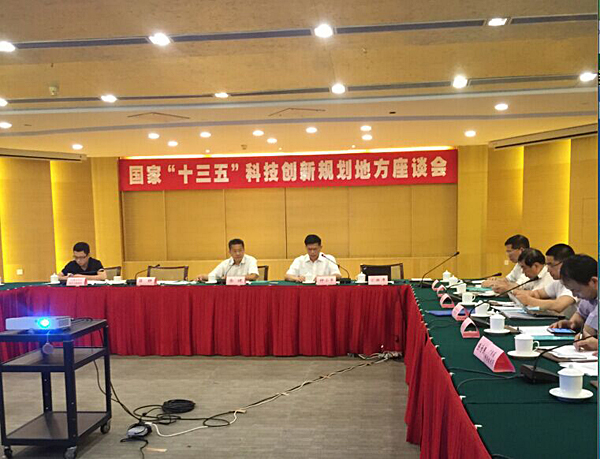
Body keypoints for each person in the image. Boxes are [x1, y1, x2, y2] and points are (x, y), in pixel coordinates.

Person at [512, 244, 577, 316]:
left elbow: (558, 305)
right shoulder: (559, 282)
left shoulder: (575, 282)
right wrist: (523, 294)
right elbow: (538, 293)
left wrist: (529, 300)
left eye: (551, 265)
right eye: (547, 265)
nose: (548, 270)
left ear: (565, 264)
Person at [550, 254, 598, 351]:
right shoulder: (589, 295)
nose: (575, 295)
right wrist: (572, 323)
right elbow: (581, 314)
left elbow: (588, 332)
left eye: (577, 290)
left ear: (594, 282)